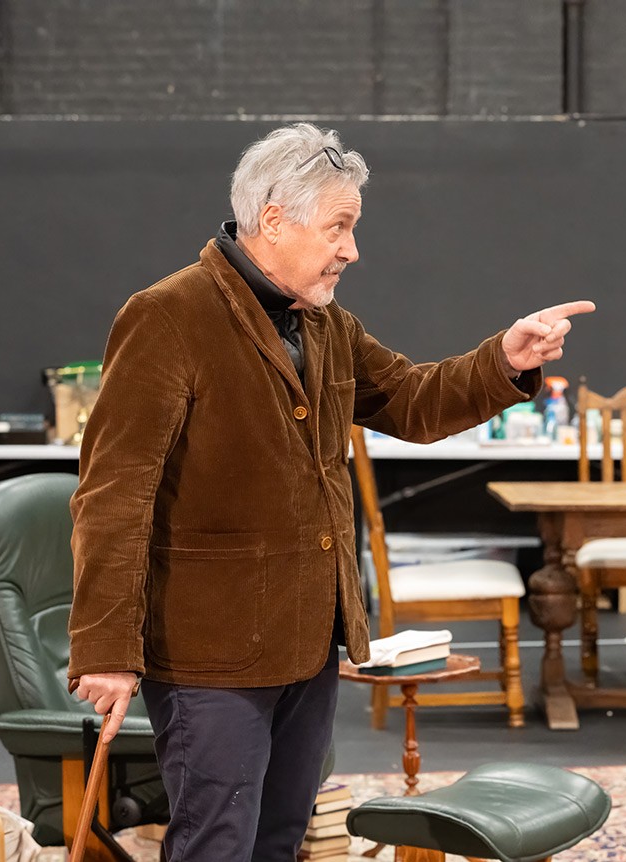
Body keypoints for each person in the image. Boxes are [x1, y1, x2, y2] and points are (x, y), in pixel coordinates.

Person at [66, 122, 595, 861]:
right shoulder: (168, 315)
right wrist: (106, 648)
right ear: (274, 219)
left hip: (308, 641)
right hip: (209, 653)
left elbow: (411, 398)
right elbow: (114, 494)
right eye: (338, 227)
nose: (351, 249)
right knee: (217, 844)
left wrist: (502, 362)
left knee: (283, 839)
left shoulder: (323, 321)